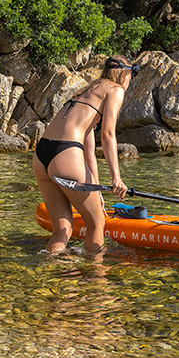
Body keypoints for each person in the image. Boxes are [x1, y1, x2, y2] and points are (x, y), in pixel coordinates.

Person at [33, 55, 137, 254]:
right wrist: (117, 178)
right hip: (66, 154)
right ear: (125, 73)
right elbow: (107, 134)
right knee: (97, 223)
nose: (130, 81)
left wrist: (96, 188)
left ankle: (46, 273)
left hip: (42, 155)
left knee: (62, 230)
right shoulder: (115, 90)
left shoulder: (87, 90)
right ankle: (96, 280)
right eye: (131, 75)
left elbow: (89, 142)